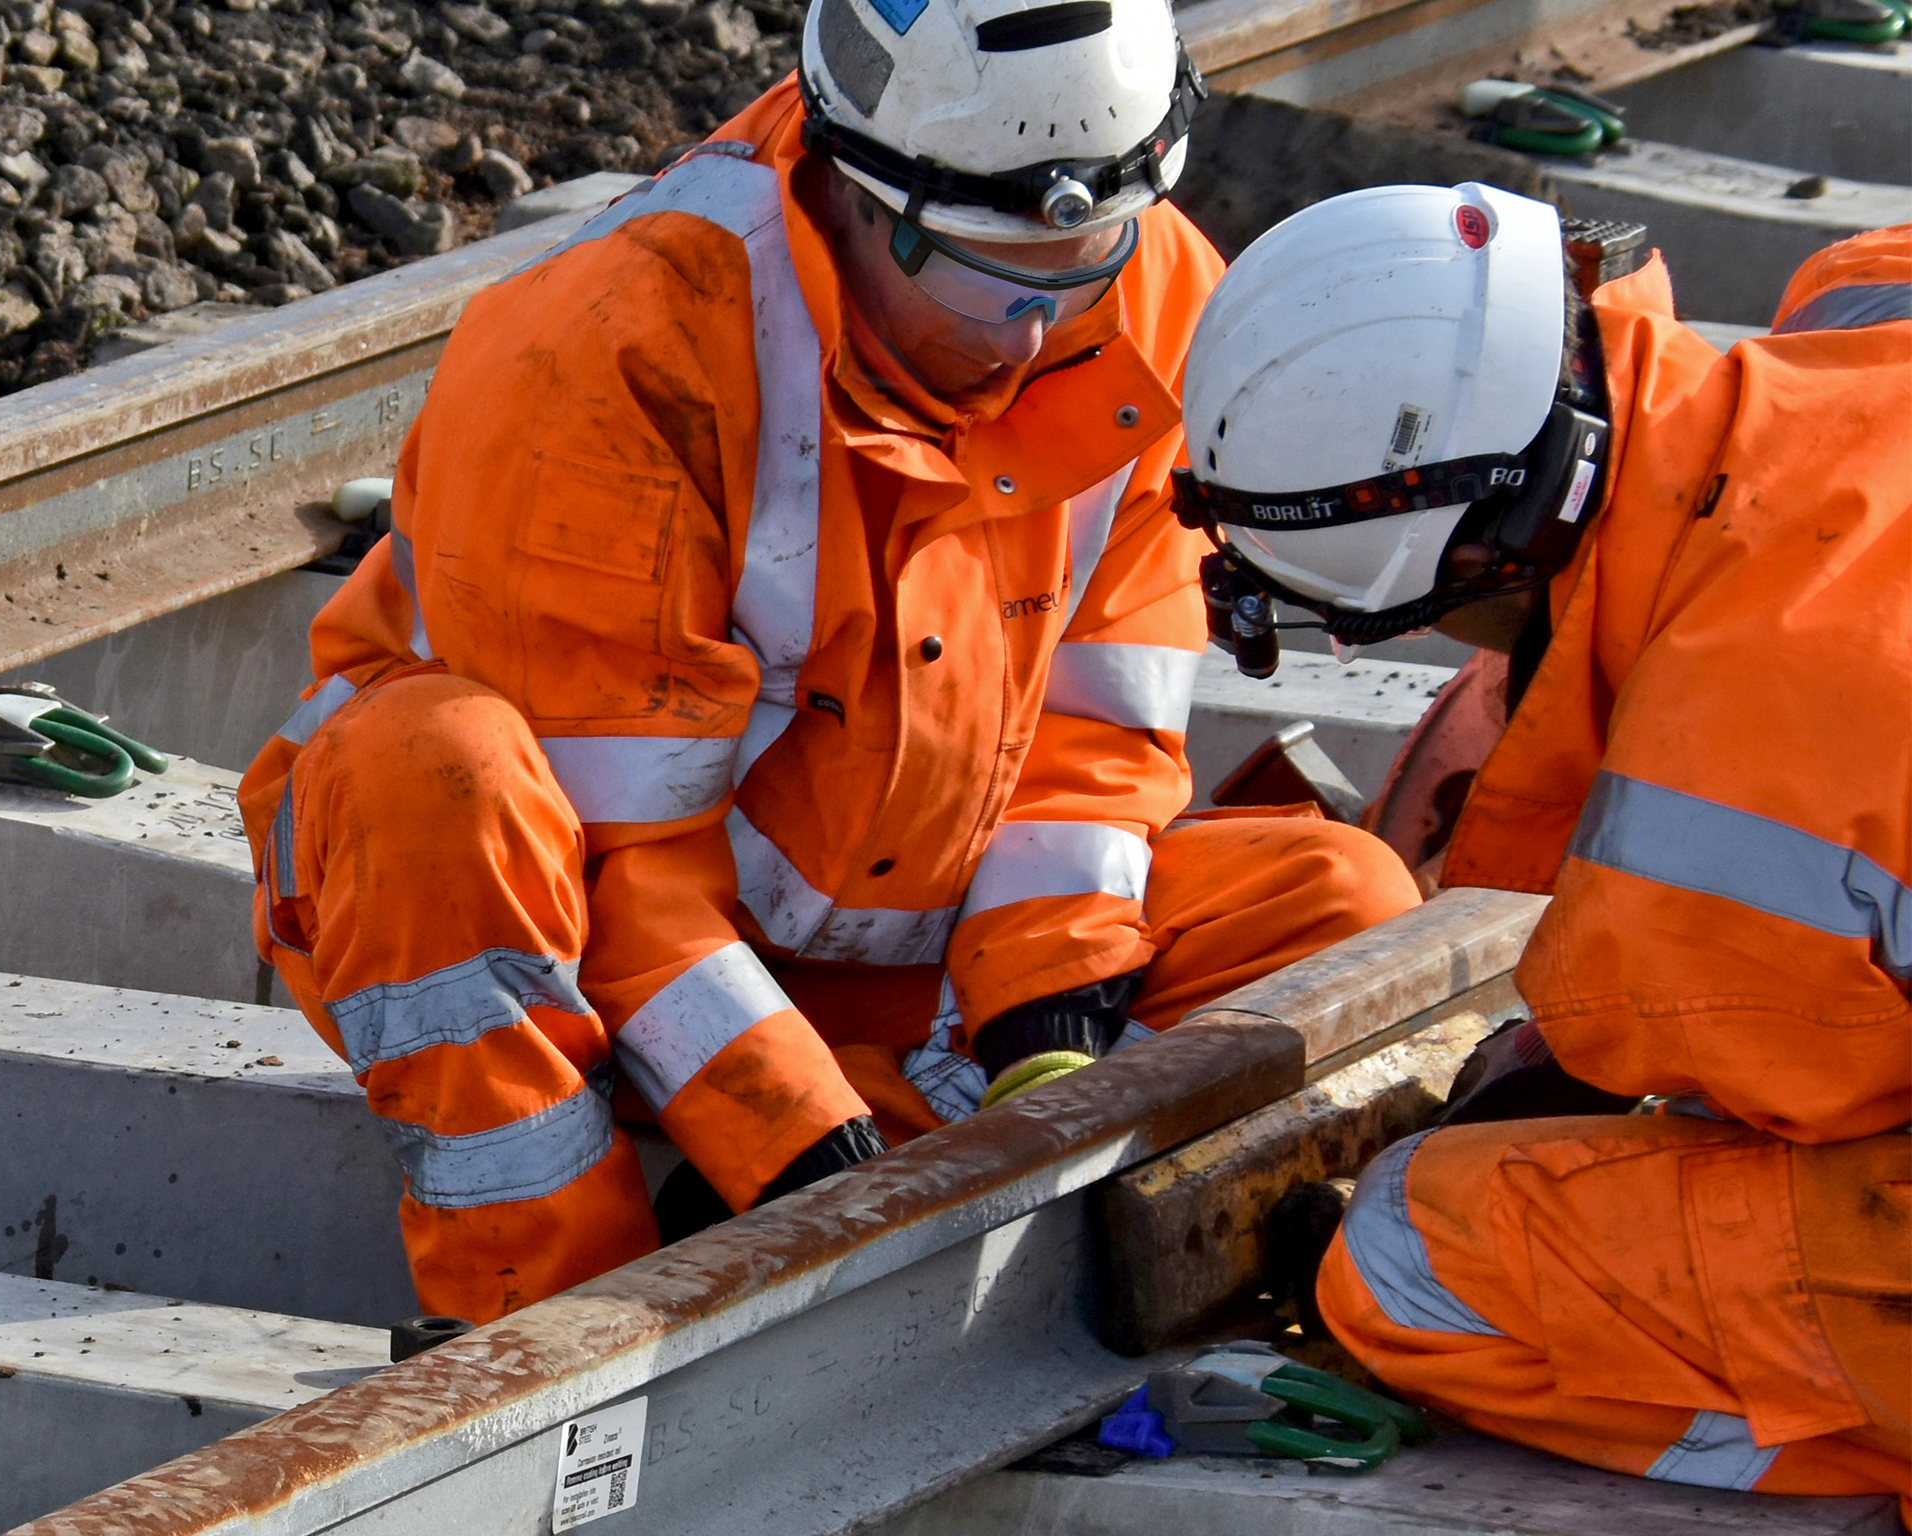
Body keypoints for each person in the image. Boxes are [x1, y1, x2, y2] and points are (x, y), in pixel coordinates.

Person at [237, 0, 1422, 1323]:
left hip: (899, 935)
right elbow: (620, 865)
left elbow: (1098, 738)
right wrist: (798, 1149)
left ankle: (823, 1193)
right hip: (569, 942)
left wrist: (1048, 1032)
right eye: (980, 275)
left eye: (1078, 263)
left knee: (1342, 909)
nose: (1030, 334)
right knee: (430, 774)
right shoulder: (620, 352)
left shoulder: (1148, 297)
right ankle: (554, 1321)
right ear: (853, 189)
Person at [1176, 187, 1909, 1514]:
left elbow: (1764, 1088)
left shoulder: (1727, 788)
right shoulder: (1863, 311)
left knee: (1410, 1258)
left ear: (1482, 577)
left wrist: (1575, 1058)